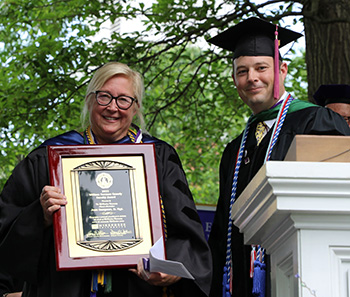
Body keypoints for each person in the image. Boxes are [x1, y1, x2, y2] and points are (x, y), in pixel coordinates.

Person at [0, 62, 212, 297]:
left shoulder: (158, 158)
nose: (113, 107)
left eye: (123, 100)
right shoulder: (50, 158)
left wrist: (172, 267)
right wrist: (41, 216)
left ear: (135, 108)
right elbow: (6, 225)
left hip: (138, 288)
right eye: (104, 97)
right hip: (64, 288)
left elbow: (186, 232)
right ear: (90, 100)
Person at [206, 17, 350, 297]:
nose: (252, 78)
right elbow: (222, 229)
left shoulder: (317, 121)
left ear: (282, 70)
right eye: (242, 71)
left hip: (304, 273)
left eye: (261, 68)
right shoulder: (235, 150)